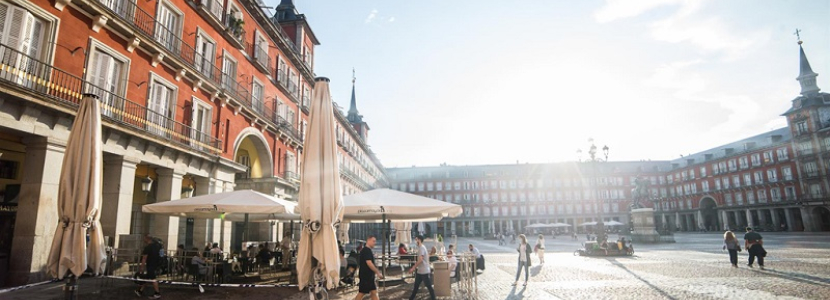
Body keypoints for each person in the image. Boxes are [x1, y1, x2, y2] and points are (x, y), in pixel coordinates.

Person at [408, 235, 436, 300]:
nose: (415, 241)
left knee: (429, 287)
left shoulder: (421, 248)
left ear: (419, 240)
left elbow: (420, 259)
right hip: (420, 271)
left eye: (416, 239)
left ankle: (434, 298)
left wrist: (413, 268)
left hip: (424, 271)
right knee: (416, 287)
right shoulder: (421, 248)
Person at [355, 235, 383, 300]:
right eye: (373, 241)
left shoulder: (367, 250)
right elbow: (369, 263)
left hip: (368, 276)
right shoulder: (366, 250)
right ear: (368, 240)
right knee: (362, 293)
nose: (374, 243)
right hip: (366, 276)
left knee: (374, 292)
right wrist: (377, 272)